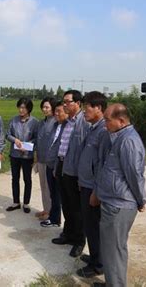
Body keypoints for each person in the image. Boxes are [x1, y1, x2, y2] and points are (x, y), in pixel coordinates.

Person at [93, 103, 146, 287]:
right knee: (110, 249)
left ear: (121, 121)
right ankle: (112, 283)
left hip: (119, 205)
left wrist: (141, 200)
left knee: (114, 250)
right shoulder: (119, 137)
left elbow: (134, 174)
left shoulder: (128, 141)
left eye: (107, 120)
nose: (104, 124)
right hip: (113, 202)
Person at [51, 90, 90, 258]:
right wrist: (56, 167)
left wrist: (82, 175)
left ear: (78, 103)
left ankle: (79, 241)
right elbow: (62, 145)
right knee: (66, 204)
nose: (64, 104)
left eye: (68, 102)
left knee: (76, 208)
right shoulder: (67, 122)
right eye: (64, 101)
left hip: (75, 171)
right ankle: (67, 234)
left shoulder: (83, 122)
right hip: (62, 165)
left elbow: (85, 152)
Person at [76, 91, 108, 278]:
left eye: (87, 106)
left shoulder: (103, 131)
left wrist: (96, 191)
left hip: (93, 189)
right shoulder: (93, 127)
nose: (84, 110)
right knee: (89, 226)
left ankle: (99, 265)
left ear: (98, 108)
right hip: (86, 184)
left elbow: (102, 165)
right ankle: (95, 256)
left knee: (94, 226)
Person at [5, 97, 39, 213]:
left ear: (29, 109)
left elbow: (36, 138)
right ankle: (16, 202)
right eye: (19, 107)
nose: (21, 110)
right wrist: (15, 140)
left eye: (23, 108)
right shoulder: (13, 120)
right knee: (15, 178)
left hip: (27, 156)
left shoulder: (35, 122)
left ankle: (26, 203)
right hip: (14, 155)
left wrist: (29, 145)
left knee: (27, 179)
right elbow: (7, 134)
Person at [40, 101, 66, 228]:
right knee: (53, 193)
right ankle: (54, 218)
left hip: (60, 166)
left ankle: (56, 219)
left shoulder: (67, 127)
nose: (56, 114)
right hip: (50, 164)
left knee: (58, 194)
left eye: (59, 111)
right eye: (55, 111)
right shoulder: (56, 125)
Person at [34, 97, 57, 220]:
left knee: (50, 188)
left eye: (47, 107)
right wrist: (36, 157)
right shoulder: (41, 123)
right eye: (43, 107)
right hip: (41, 159)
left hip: (51, 162)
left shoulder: (56, 123)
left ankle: (51, 212)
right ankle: (45, 209)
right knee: (43, 186)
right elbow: (38, 141)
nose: (44, 109)